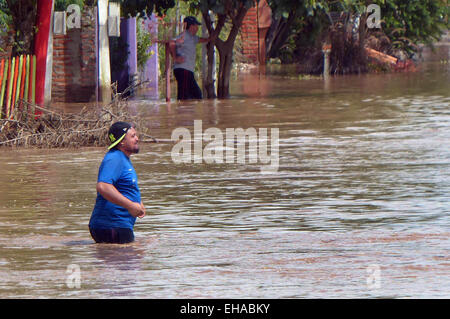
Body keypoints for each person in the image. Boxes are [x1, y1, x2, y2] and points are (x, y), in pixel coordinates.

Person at [89, 121, 145, 244]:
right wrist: (130, 205)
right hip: (112, 225)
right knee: (128, 260)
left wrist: (138, 203)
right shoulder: (115, 158)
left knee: (131, 257)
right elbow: (103, 186)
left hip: (117, 225)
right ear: (122, 142)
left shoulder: (122, 158)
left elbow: (123, 186)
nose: (137, 138)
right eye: (132, 136)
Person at [169, 16, 211, 100]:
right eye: (196, 26)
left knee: (196, 94)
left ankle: (187, 111)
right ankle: (181, 111)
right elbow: (172, 42)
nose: (197, 28)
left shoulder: (192, 37)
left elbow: (200, 40)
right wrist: (175, 58)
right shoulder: (184, 36)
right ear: (191, 26)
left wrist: (210, 39)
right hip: (183, 70)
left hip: (187, 71)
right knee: (185, 96)